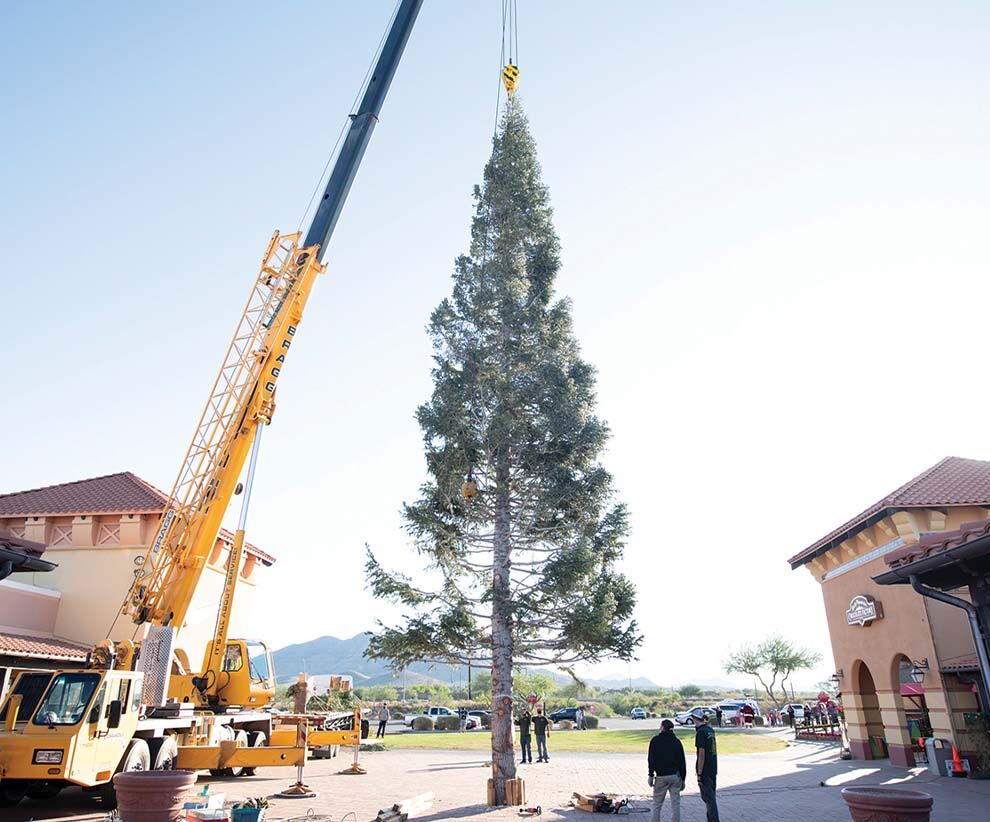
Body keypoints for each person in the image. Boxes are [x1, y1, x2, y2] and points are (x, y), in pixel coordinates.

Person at [648, 719, 685, 822]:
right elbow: (682, 762)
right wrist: (683, 778)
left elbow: (651, 759)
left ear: (662, 728)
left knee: (657, 804)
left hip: (660, 776)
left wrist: (651, 775)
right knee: (676, 804)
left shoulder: (655, 741)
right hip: (674, 776)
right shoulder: (677, 742)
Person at [694, 711, 719, 822]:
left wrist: (699, 773)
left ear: (695, 718)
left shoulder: (701, 733)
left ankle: (713, 819)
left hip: (705, 769)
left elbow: (701, 753)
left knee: (709, 798)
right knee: (710, 797)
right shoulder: (710, 730)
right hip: (713, 767)